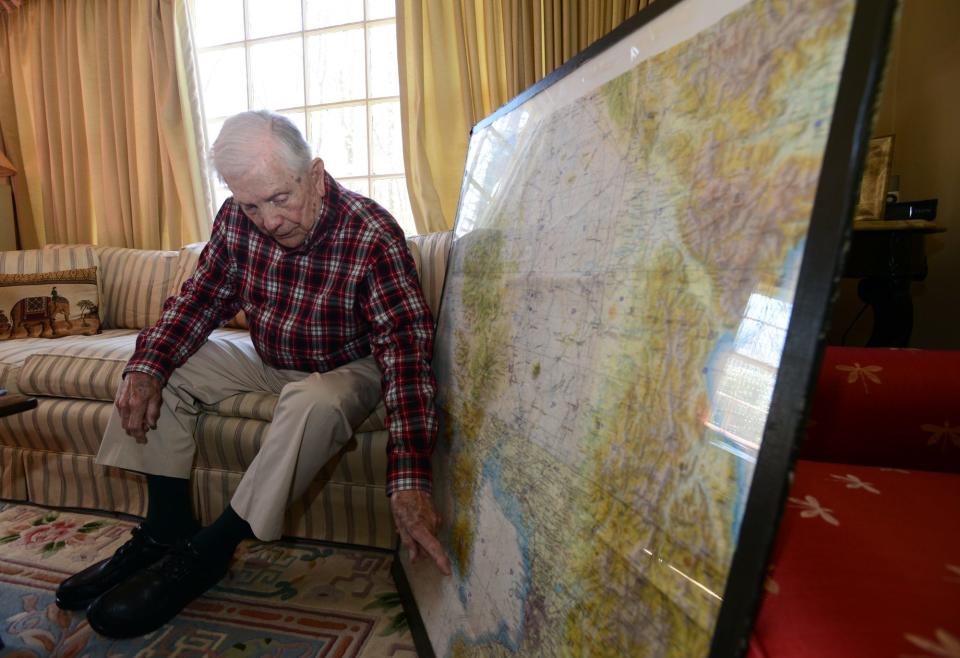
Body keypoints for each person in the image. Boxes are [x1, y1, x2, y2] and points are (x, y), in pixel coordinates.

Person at [54, 110, 451, 638]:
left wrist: (410, 480)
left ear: (313, 175)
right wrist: (147, 364)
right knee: (163, 364)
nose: (267, 220)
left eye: (279, 199)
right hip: (267, 357)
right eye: (250, 205)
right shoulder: (236, 219)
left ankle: (208, 553)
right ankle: (164, 533)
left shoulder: (372, 234)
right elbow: (199, 300)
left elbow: (405, 355)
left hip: (349, 366)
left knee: (316, 403)